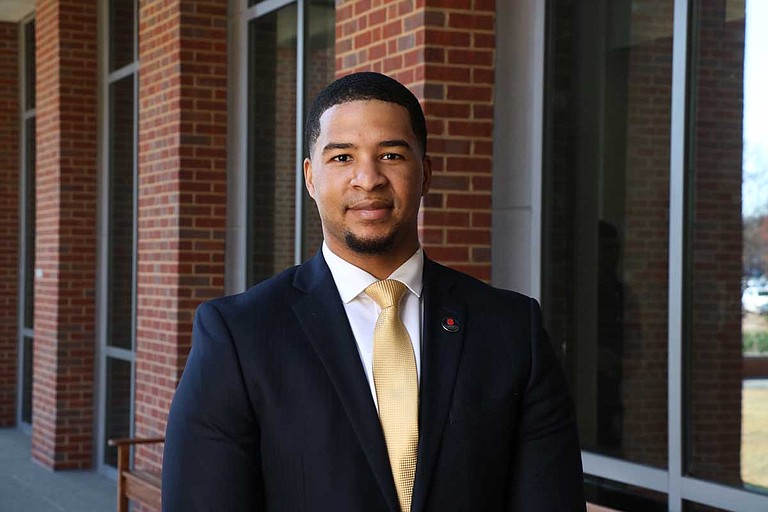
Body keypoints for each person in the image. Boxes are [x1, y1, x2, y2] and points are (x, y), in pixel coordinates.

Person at [162, 72, 585, 511]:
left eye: (391, 154)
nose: (368, 179)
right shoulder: (239, 335)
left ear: (425, 173)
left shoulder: (512, 329)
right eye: (342, 157)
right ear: (310, 178)